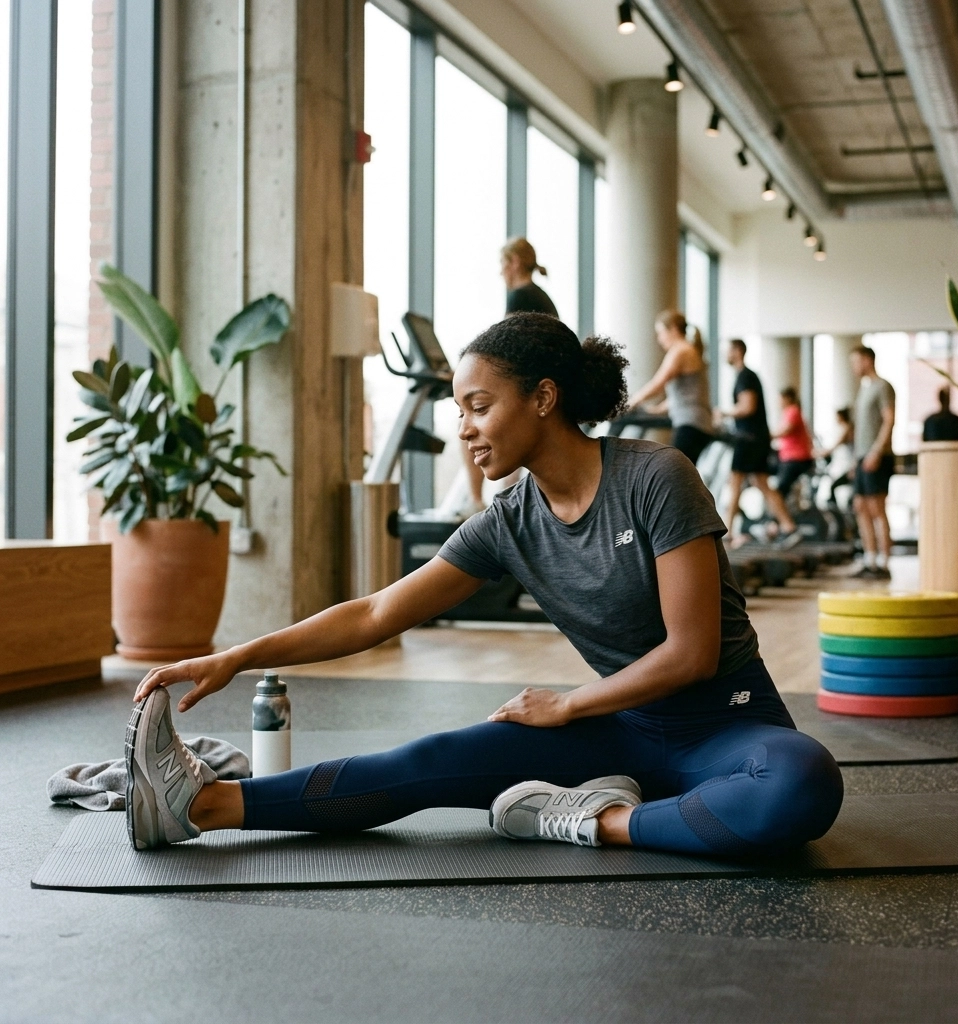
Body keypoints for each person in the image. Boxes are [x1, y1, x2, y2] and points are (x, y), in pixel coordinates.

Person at [126, 313, 843, 861]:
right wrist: (236, 657)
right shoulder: (508, 522)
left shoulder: (655, 478)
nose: (465, 429)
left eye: (478, 405)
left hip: (729, 727)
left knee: (801, 782)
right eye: (460, 412)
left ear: (543, 398)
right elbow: (377, 613)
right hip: (623, 735)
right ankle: (199, 805)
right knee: (430, 761)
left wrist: (566, 705)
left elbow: (692, 655)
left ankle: (591, 820)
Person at [461, 238, 559, 516]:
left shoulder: (521, 295)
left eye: (502, 265)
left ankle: (476, 504)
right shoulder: (538, 295)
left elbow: (503, 349)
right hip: (536, 389)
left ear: (514, 263)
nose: (501, 272)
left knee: (471, 427)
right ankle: (503, 507)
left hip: (528, 391)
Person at [720, 339, 799, 546]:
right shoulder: (745, 376)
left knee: (736, 480)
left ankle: (727, 531)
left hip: (750, 439)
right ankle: (788, 526)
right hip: (756, 438)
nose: (725, 355)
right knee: (761, 482)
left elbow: (747, 407)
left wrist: (723, 413)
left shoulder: (745, 376)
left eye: (727, 351)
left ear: (738, 351)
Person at [625, 310, 715, 465]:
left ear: (673, 329)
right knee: (680, 476)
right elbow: (684, 395)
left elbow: (658, 383)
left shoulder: (680, 350)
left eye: (661, 333)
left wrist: (631, 402)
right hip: (697, 423)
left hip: (691, 424)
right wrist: (656, 410)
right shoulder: (688, 349)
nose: (659, 339)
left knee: (672, 472)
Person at [850, 345, 896, 580]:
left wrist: (876, 452)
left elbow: (889, 420)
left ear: (867, 360)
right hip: (861, 456)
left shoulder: (883, 386)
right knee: (860, 507)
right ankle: (870, 559)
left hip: (878, 456)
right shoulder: (864, 389)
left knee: (877, 508)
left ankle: (884, 562)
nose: (853, 366)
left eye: (856, 361)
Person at [772, 387, 814, 501]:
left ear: (788, 398)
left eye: (780, 399)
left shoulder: (793, 411)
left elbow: (786, 430)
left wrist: (767, 436)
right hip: (787, 457)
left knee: (781, 490)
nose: (779, 403)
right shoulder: (788, 412)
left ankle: (777, 517)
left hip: (795, 459)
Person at [502, 237, 558, 317]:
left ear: (515, 262)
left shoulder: (519, 297)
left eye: (502, 263)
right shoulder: (540, 296)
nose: (501, 272)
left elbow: (509, 329)